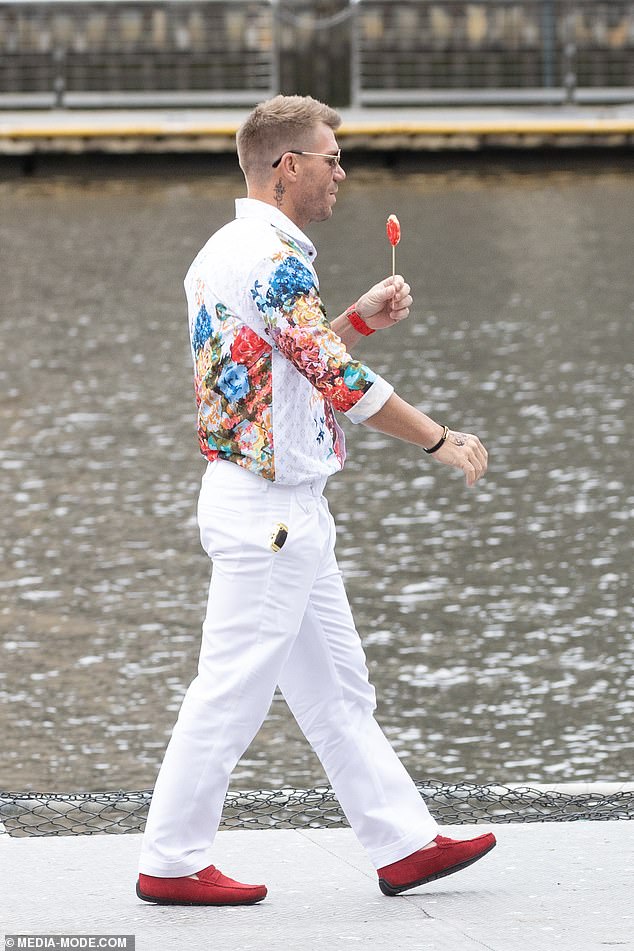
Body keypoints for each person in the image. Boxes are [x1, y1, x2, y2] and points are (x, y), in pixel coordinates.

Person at [136, 95, 495, 907]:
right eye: (331, 157)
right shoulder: (275, 257)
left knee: (337, 689)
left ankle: (404, 842)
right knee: (230, 687)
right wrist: (441, 439)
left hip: (275, 505)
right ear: (286, 166)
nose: (342, 172)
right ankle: (171, 857)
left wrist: (357, 322)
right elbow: (334, 379)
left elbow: (285, 364)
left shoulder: (227, 248)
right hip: (271, 512)